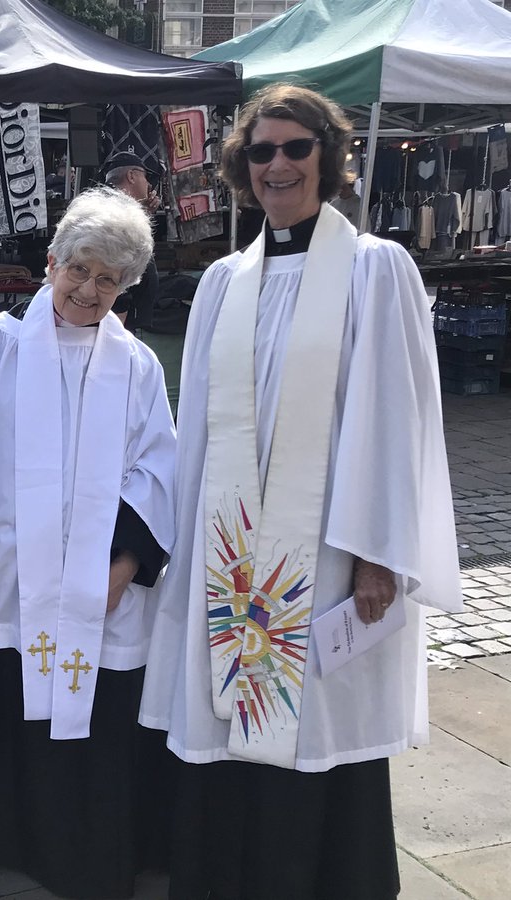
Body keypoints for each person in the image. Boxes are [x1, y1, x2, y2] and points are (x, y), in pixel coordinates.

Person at [138, 83, 462, 900]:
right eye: (261, 151)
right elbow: (198, 426)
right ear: (242, 168)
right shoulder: (223, 282)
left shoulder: (375, 269)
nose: (277, 165)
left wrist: (377, 553)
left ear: (330, 156)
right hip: (231, 548)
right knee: (226, 718)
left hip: (325, 545)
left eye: (295, 147)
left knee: (315, 720)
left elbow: (395, 416)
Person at [0, 186, 177, 899]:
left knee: (87, 717)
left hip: (94, 587)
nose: (89, 290)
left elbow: (157, 470)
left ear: (126, 287)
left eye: (109, 279)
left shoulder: (137, 366)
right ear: (53, 262)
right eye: (79, 269)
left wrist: (126, 562)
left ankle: (74, 853)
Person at [105, 151, 160, 331]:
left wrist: (144, 213)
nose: (148, 184)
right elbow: (116, 270)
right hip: (120, 320)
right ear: (131, 176)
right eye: (145, 176)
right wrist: (119, 329)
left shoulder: (118, 209)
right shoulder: (116, 213)